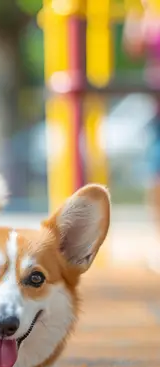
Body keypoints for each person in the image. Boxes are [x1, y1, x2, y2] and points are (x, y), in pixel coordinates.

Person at [123, 0, 160, 270]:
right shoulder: (148, 13)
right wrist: (139, 12)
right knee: (156, 173)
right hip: (158, 106)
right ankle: (157, 238)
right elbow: (133, 47)